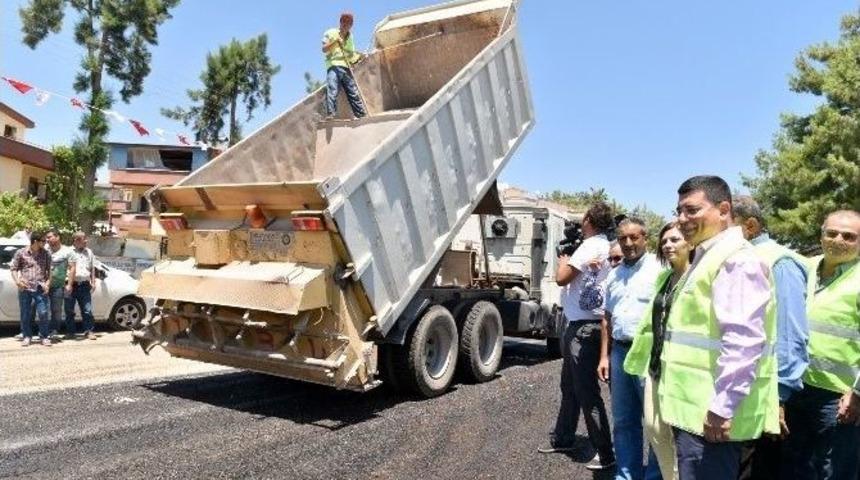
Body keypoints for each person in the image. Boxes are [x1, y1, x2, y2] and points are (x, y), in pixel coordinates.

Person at [662, 175, 777, 480]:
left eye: (692, 210)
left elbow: (744, 341)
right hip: (696, 414)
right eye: (679, 211)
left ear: (724, 209)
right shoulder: (709, 256)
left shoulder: (735, 260)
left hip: (712, 419)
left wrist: (722, 407)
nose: (682, 219)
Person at [731, 196, 809, 480]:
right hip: (741, 390)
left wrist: (779, 397)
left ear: (750, 226)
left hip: (767, 396)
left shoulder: (779, 262)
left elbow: (790, 335)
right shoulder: (738, 258)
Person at [781, 209, 860, 480]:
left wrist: (857, 393)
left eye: (849, 236)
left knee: (834, 470)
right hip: (797, 387)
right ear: (821, 235)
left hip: (838, 397)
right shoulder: (804, 268)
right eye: (832, 233)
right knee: (795, 466)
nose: (838, 240)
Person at [539, 202, 616, 471]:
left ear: (589, 221)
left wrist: (563, 261)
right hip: (591, 324)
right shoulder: (606, 245)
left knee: (586, 392)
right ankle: (564, 438)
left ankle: (605, 452)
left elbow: (562, 278)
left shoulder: (590, 246)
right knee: (570, 387)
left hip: (583, 328)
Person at [625, 221, 693, 480]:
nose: (667, 245)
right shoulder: (664, 278)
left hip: (682, 371)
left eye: (674, 240)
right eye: (664, 241)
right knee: (654, 430)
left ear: (690, 243)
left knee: (682, 439)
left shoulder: (696, 278)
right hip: (656, 367)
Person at [597, 218, 663, 480]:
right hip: (620, 353)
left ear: (645, 237)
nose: (628, 243)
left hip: (648, 352)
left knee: (654, 422)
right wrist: (604, 356)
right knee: (624, 421)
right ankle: (626, 475)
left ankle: (654, 476)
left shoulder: (660, 268)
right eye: (623, 238)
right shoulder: (614, 274)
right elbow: (607, 318)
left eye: (634, 237)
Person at [322, 12, 367, 119]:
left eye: (349, 22)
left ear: (351, 25)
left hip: (346, 67)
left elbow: (351, 55)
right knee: (332, 88)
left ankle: (361, 114)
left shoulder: (350, 37)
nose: (346, 24)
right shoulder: (330, 32)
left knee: (352, 91)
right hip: (333, 66)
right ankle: (331, 113)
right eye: (344, 21)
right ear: (340, 22)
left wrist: (360, 57)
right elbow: (324, 49)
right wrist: (335, 41)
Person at [10, 232, 52, 346]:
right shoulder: (21, 252)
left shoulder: (46, 254)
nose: (46, 243)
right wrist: (17, 281)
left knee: (43, 312)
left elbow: (50, 270)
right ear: (35, 241)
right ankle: (27, 336)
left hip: (40, 287)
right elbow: (13, 268)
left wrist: (48, 284)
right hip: (25, 287)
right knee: (26, 313)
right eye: (43, 241)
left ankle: (44, 336)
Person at [45, 229, 77, 339]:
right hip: (44, 285)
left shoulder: (67, 251)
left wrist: (70, 284)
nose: (47, 240)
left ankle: (54, 331)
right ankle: (42, 331)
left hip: (59, 285)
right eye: (47, 238)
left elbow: (72, 268)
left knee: (56, 310)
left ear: (57, 237)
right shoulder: (45, 250)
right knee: (42, 309)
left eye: (49, 237)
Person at [67, 232, 97, 340]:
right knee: (69, 310)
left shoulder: (89, 252)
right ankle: (70, 332)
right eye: (84, 239)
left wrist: (93, 282)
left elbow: (92, 268)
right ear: (77, 240)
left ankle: (89, 331)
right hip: (71, 285)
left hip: (84, 285)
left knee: (87, 310)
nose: (86, 241)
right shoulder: (68, 252)